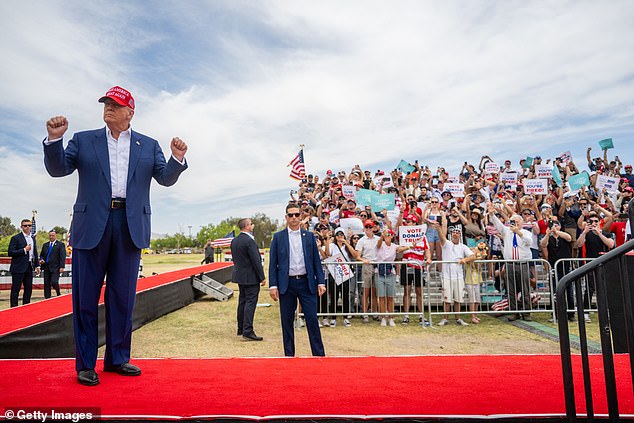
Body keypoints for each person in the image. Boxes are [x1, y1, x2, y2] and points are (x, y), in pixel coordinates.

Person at [43, 86, 188, 386]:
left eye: (115, 104)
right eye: (106, 103)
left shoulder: (148, 146)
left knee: (123, 297)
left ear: (130, 112)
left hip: (130, 225)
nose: (108, 108)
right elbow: (58, 170)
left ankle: (118, 358)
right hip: (91, 225)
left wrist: (176, 159)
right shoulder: (83, 140)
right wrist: (55, 140)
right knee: (85, 298)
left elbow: (165, 178)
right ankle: (85, 363)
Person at [269, 203, 326, 357]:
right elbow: (273, 263)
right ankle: (289, 355)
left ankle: (319, 355)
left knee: (312, 320)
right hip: (286, 284)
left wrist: (321, 281)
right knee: (286, 322)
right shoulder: (278, 237)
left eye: (296, 214)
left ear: (300, 216)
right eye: (290, 215)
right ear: (286, 217)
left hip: (307, 283)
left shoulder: (309, 237)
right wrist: (272, 285)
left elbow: (316, 261)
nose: (294, 218)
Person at [487, 203, 534, 321]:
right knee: (511, 289)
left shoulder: (526, 232)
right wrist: (492, 213)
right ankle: (514, 312)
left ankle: (526, 312)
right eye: (512, 222)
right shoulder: (506, 231)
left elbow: (529, 242)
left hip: (522, 264)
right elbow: (497, 224)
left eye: (517, 222)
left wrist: (518, 231)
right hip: (509, 264)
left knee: (525, 289)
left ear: (521, 223)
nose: (514, 224)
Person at [231, 218, 266, 341]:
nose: (253, 226)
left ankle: (241, 328)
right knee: (250, 302)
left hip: (240, 275)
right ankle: (247, 330)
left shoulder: (234, 241)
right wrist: (262, 277)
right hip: (251, 276)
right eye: (251, 224)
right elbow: (256, 261)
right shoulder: (249, 241)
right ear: (246, 226)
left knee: (243, 302)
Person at [438, 226, 475, 326]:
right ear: (451, 235)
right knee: (447, 299)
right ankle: (445, 318)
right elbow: (441, 237)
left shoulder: (463, 247)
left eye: (457, 233)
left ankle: (458, 318)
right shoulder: (446, 244)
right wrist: (438, 228)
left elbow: (473, 256)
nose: (455, 234)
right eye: (453, 233)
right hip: (446, 275)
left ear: (460, 235)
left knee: (458, 298)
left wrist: (464, 260)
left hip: (458, 276)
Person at [375, 229, 409, 327]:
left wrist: (410, 246)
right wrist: (381, 237)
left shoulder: (394, 246)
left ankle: (390, 318)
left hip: (390, 273)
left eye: (389, 235)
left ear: (392, 236)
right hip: (379, 272)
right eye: (386, 235)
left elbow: (401, 249)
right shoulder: (380, 244)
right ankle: (383, 318)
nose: (387, 236)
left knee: (390, 298)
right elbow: (378, 245)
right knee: (381, 297)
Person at [8, 219, 40, 307]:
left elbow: (35, 253)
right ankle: (13, 308)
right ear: (21, 227)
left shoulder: (32, 238)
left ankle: (26, 307)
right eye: (25, 225)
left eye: (29, 225)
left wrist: (37, 265)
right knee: (16, 289)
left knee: (28, 289)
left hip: (29, 267)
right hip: (18, 267)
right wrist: (24, 250)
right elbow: (10, 252)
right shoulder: (15, 238)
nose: (28, 227)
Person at [355, 219, 379, 323]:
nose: (368, 229)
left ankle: (374, 312)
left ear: (373, 228)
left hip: (376, 265)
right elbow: (357, 256)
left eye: (370, 227)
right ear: (364, 229)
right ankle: (365, 313)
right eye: (367, 227)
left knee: (374, 291)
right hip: (367, 265)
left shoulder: (378, 239)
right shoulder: (362, 240)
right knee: (366, 291)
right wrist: (364, 260)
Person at [39, 229, 66, 298]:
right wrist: (41, 259)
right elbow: (42, 255)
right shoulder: (45, 245)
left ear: (55, 236)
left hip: (55, 267)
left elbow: (62, 256)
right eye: (50, 235)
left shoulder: (60, 245)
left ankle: (58, 293)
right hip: (46, 267)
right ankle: (47, 298)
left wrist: (62, 266)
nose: (51, 237)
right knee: (46, 284)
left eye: (53, 235)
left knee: (54, 282)